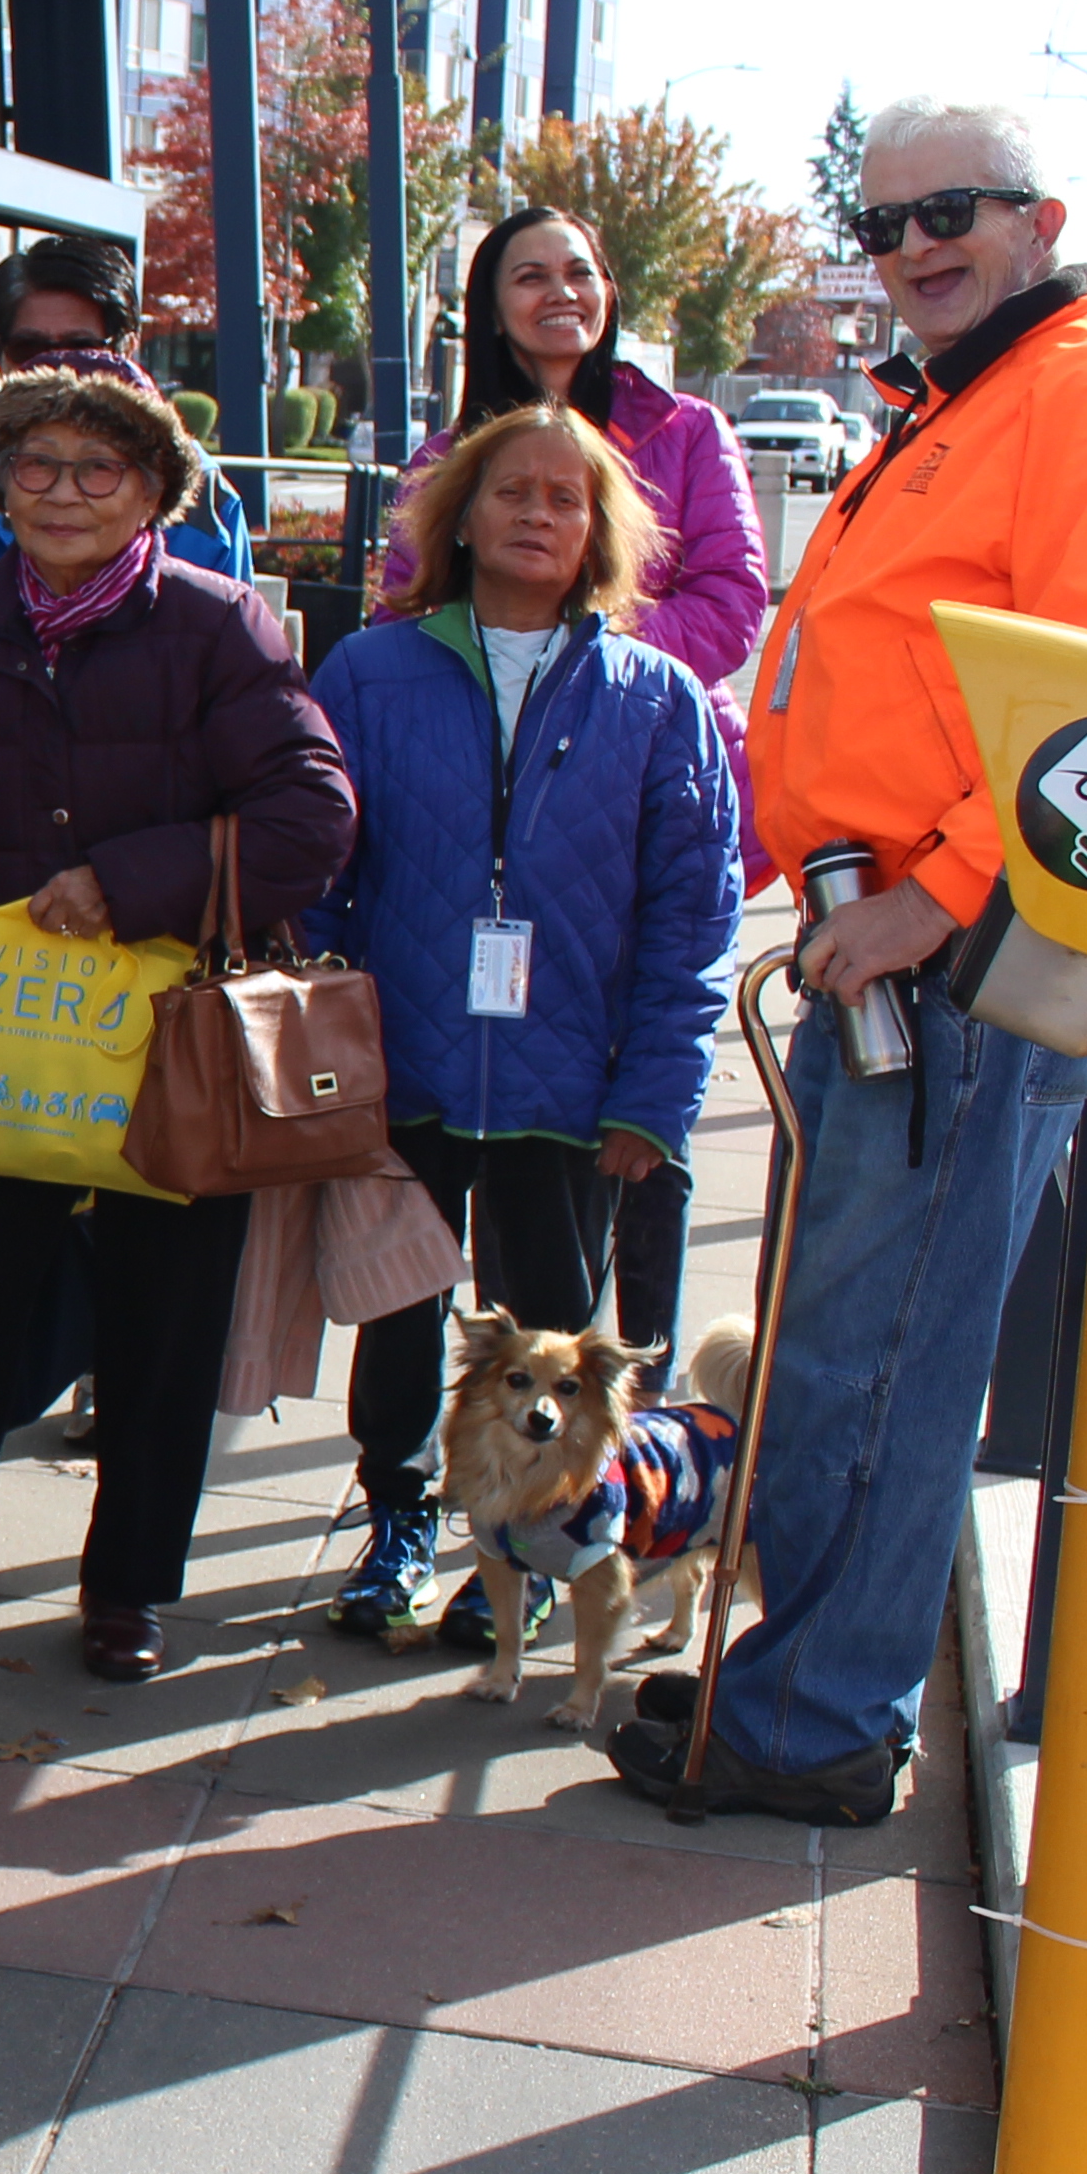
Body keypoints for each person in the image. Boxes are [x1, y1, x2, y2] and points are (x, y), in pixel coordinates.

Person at [609, 97, 1087, 1824]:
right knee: (836, 1337)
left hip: (948, 962)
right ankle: (799, 1687)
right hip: (879, 949)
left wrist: (938, 896)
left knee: (873, 1348)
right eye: (880, 224)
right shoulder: (977, 401)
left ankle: (811, 1721)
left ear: (1035, 217)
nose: (908, 251)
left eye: (945, 212)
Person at [0, 361, 353, 1687]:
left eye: (101, 471)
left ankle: (127, 1592)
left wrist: (128, 881)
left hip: (173, 1040)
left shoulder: (217, 625)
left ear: (150, 495)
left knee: (163, 1325)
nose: (65, 492)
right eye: (36, 466)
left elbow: (314, 815)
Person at [309, 405, 741, 1637]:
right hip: (406, 1070)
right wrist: (334, 1049)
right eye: (514, 492)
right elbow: (320, 871)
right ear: (462, 513)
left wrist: (652, 1099)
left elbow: (690, 922)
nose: (540, 515)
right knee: (397, 1319)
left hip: (572, 1088)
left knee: (551, 1340)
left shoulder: (659, 699)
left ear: (600, 527)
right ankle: (397, 1520)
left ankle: (535, 1552)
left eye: (568, 498)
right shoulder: (370, 671)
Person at [387, 200, 779, 1400]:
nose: (558, 292)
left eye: (580, 271)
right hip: (470, 824)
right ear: (490, 306)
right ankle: (415, 1479)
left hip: (629, 783)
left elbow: (735, 596)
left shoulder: (686, 430)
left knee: (624, 1148)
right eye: (527, 276)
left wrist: (580, 649)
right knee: (456, 1199)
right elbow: (407, 604)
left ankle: (628, 1408)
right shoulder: (441, 453)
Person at [0, 242, 252, 583]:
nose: (59, 372)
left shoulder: (206, 500)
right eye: (31, 350)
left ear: (127, 349)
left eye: (81, 348)